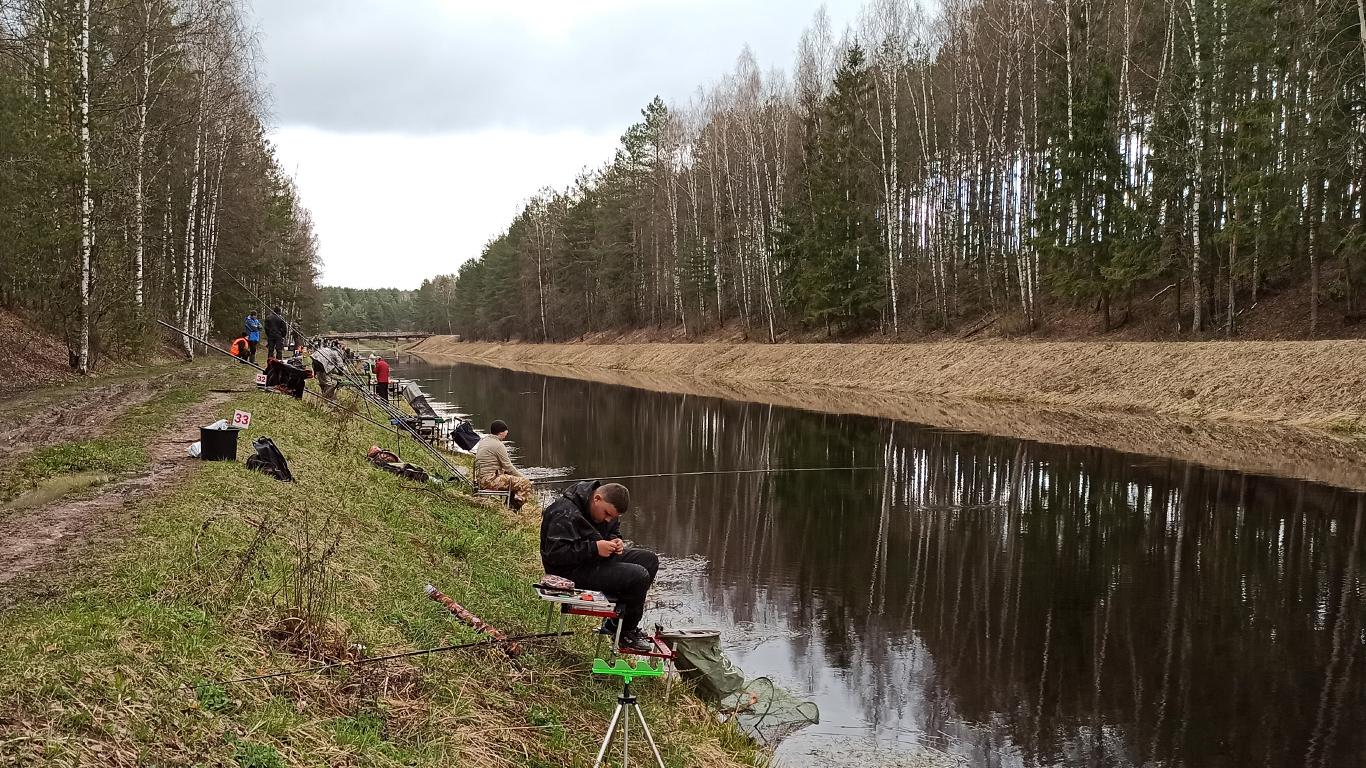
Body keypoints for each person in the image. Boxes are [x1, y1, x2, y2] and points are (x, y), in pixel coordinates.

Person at [540, 480, 657, 652]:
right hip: (568, 572)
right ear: (597, 498)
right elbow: (555, 554)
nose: (608, 519)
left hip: (595, 561)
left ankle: (614, 623)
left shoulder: (603, 510)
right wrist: (594, 548)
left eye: (613, 517)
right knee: (638, 576)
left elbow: (612, 530)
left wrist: (615, 541)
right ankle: (625, 632)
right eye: (607, 514)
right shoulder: (564, 511)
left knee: (650, 560)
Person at [473, 420, 533, 507]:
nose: (507, 432)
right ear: (501, 433)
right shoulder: (498, 445)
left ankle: (509, 504)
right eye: (506, 431)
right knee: (525, 483)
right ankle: (512, 509)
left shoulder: (485, 440)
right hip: (488, 481)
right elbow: (508, 467)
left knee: (513, 479)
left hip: (481, 478)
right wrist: (522, 478)